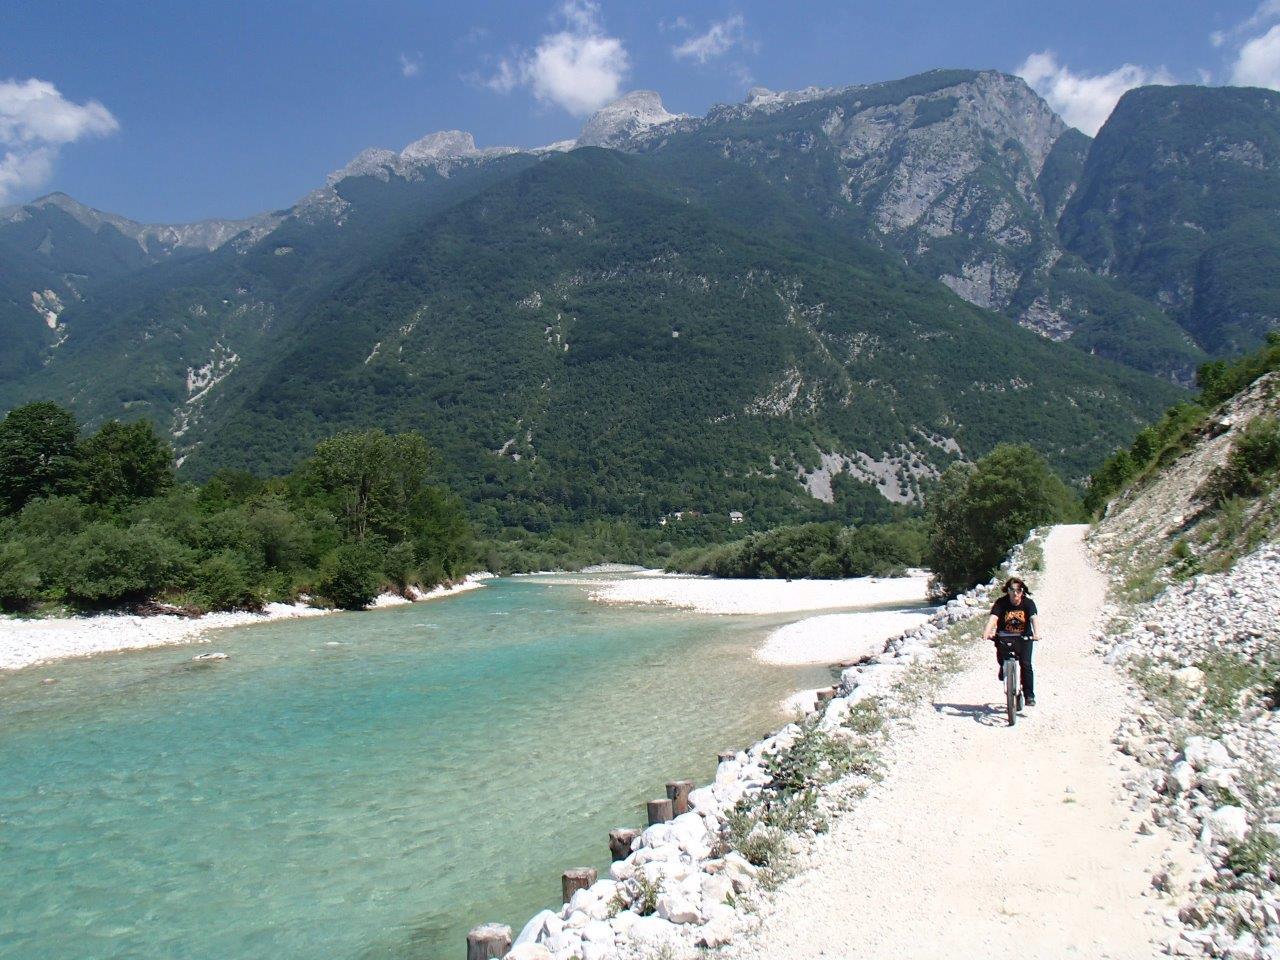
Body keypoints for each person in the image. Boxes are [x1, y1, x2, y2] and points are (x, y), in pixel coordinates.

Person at [982, 576, 1040, 706]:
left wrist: (1036, 633)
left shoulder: (1028, 603)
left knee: (1026, 665)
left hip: (1023, 638)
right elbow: (993, 618)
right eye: (1012, 590)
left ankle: (1029, 695)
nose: (1015, 593)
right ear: (1007, 591)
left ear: (1022, 591)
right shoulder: (1001, 602)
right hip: (1004, 636)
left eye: (1019, 590)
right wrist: (987, 632)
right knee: (1001, 656)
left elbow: (1033, 618)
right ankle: (1004, 667)